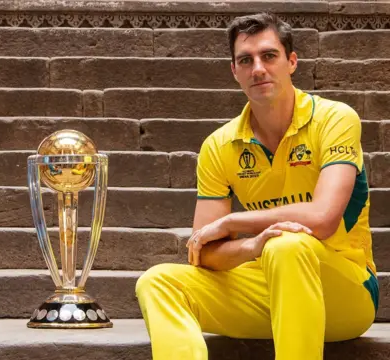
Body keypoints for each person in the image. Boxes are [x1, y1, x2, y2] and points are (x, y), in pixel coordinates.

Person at [136, 12, 378, 360]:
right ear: (234, 71)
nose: (258, 68)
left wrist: (236, 223)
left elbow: (323, 218)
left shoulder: (334, 118)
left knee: (287, 246)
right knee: (158, 282)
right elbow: (203, 252)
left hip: (345, 294)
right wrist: (253, 247)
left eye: (269, 56)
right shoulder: (219, 145)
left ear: (291, 62)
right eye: (245, 60)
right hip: (264, 289)